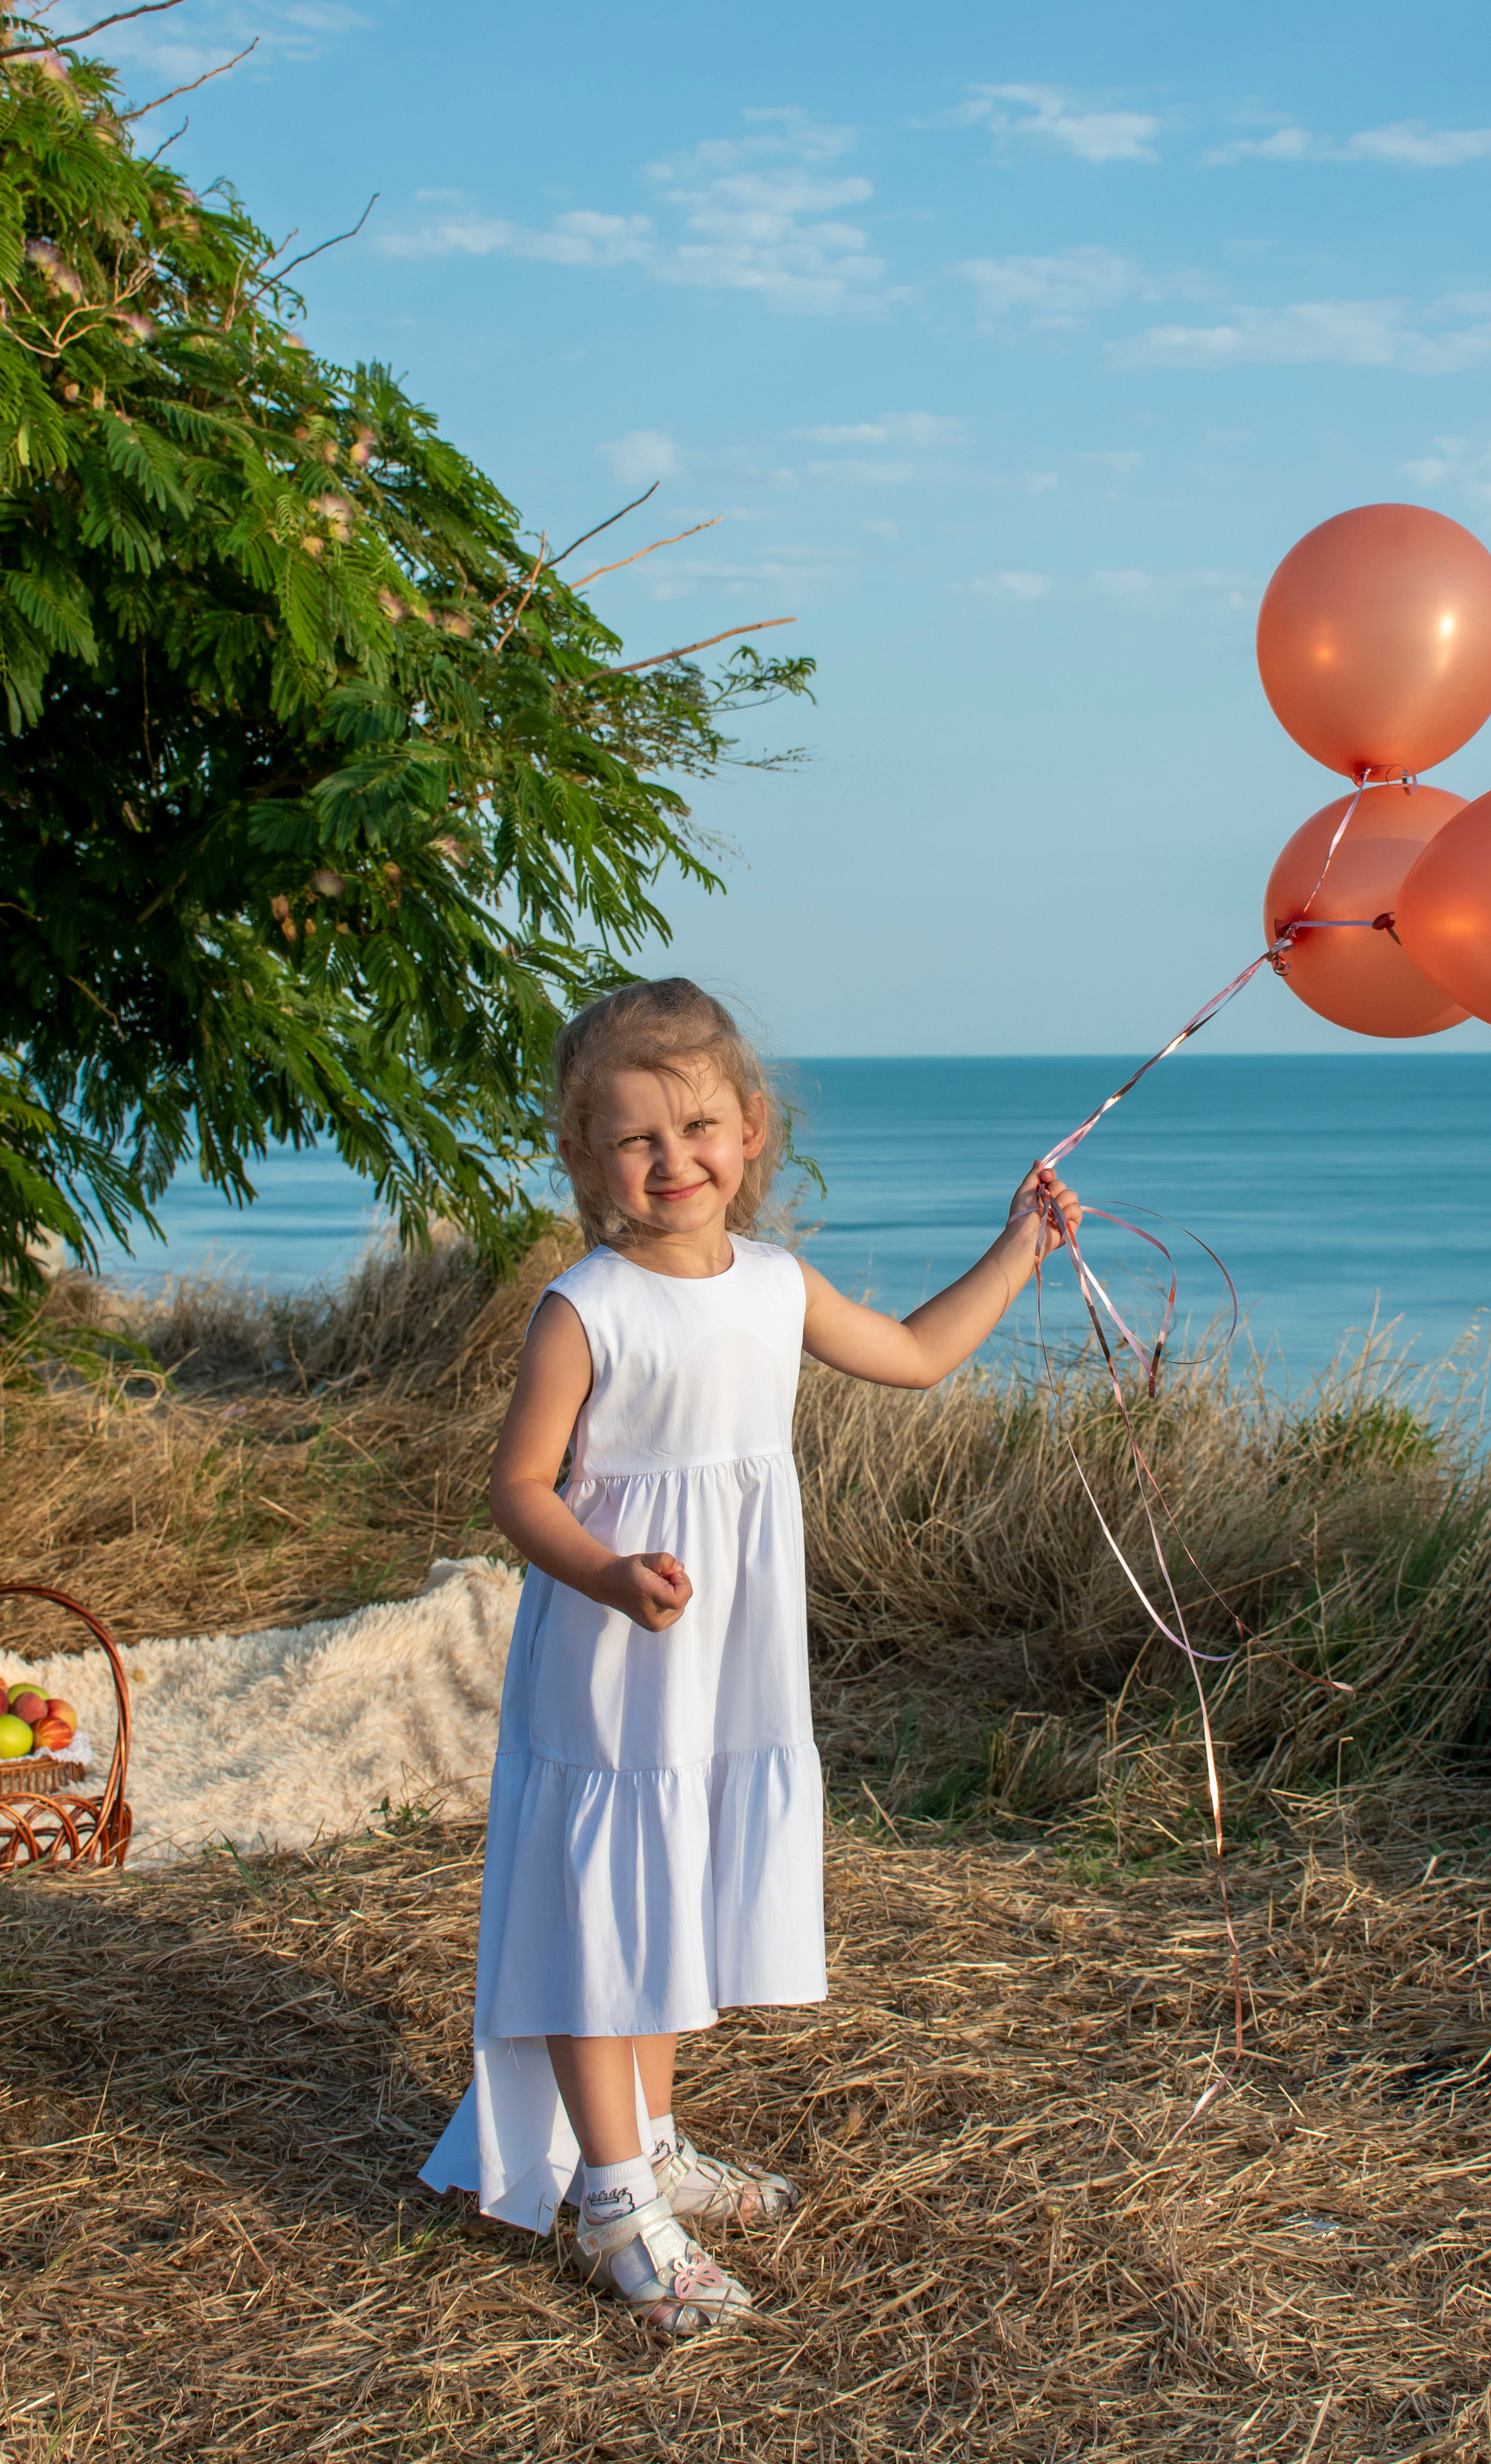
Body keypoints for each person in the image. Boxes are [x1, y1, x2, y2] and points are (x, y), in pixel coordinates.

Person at [419, 978, 1080, 2336]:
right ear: (585, 1158)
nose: (675, 1163)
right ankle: (611, 2200)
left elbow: (911, 1355)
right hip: (615, 1653)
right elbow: (522, 1489)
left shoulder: (777, 1285)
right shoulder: (584, 1308)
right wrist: (606, 1571)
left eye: (701, 1128)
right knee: (607, 1905)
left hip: (729, 1657)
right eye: (638, 1140)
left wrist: (1018, 1250)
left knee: (674, 1891)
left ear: (753, 1129)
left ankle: (651, 2140)